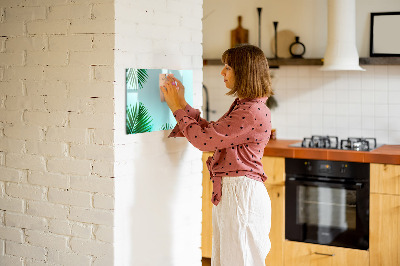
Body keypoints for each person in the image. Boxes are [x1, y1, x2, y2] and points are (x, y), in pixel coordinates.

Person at [161, 44, 273, 266]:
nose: (222, 72)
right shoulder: (246, 106)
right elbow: (212, 133)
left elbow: (204, 141)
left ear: (244, 72)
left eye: (228, 67)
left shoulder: (250, 111)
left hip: (241, 195)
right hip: (236, 193)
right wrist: (182, 103)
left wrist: (176, 108)